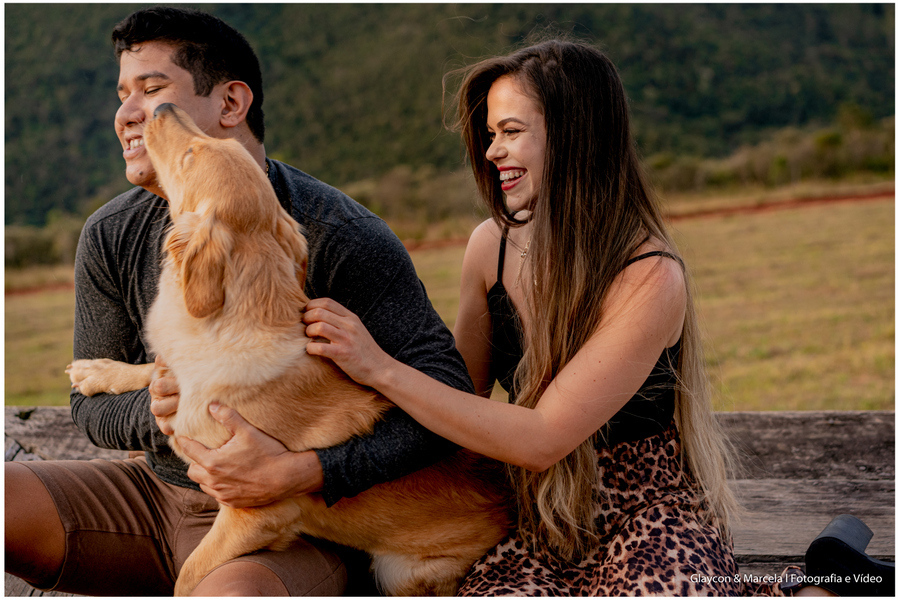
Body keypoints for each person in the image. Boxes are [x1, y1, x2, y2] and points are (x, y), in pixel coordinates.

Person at [4, 7, 473, 596]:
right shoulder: (109, 233)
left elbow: (450, 408)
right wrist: (158, 409)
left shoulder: (341, 233)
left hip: (293, 527)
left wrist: (308, 471)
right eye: (123, 94)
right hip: (155, 495)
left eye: (152, 90)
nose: (129, 114)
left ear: (230, 105)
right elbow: (89, 409)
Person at [302, 39, 745, 595]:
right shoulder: (492, 246)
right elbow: (455, 395)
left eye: (510, 132)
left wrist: (378, 367)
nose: (491, 152)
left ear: (573, 136)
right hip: (534, 517)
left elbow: (542, 437)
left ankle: (823, 581)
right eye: (491, 135)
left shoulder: (650, 275)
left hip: (645, 516)